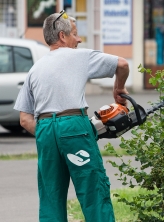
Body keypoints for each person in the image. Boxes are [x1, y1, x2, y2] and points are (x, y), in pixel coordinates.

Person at [14, 10, 129, 222]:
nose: (79, 39)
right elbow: (122, 64)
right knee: (93, 190)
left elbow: (24, 119)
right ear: (62, 36)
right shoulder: (80, 56)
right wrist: (118, 90)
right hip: (74, 126)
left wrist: (50, 134)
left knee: (51, 197)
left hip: (45, 130)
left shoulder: (35, 69)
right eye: (75, 34)